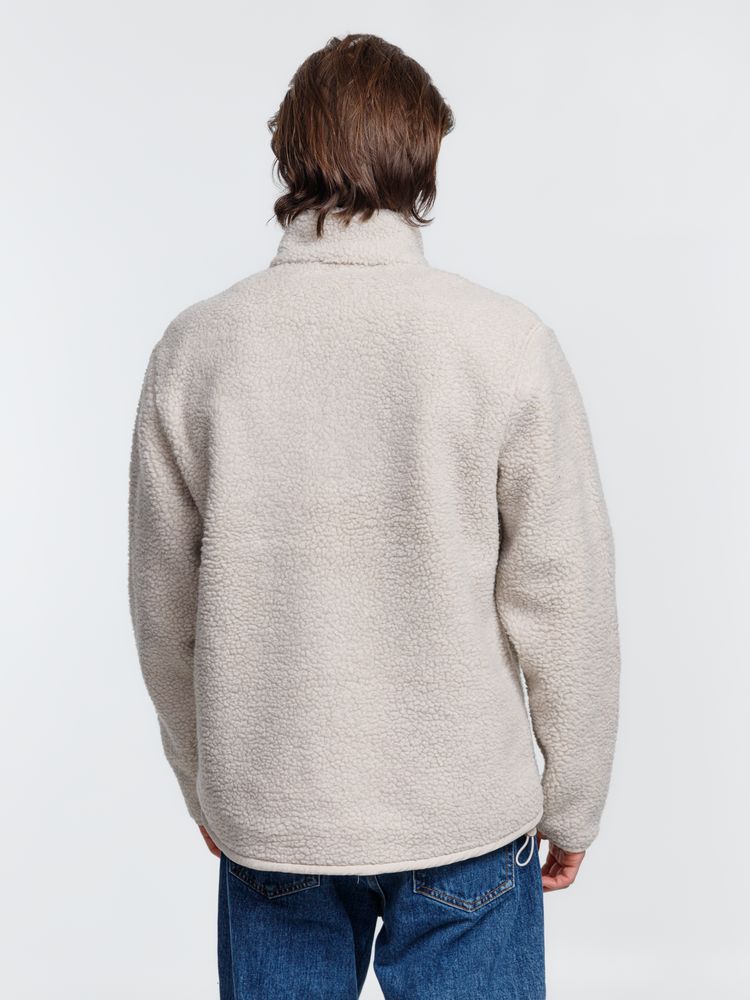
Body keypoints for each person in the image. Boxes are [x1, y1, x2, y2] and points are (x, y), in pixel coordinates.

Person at [128, 32, 621, 1000]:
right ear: (424, 156)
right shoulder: (502, 342)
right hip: (463, 809)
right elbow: (566, 595)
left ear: (289, 155)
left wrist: (205, 783)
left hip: (275, 810)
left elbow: (162, 608)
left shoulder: (198, 349)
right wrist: (575, 799)